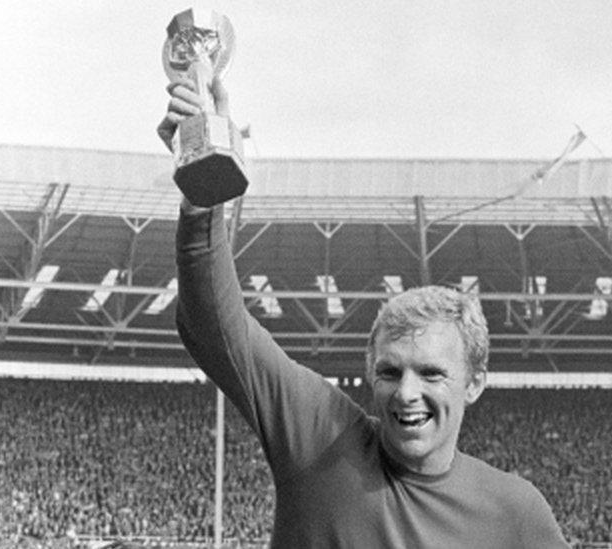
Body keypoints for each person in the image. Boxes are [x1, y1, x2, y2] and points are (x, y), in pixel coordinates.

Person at [159, 77, 570, 549]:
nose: (406, 393)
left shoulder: (515, 513)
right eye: (390, 371)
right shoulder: (321, 439)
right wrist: (204, 184)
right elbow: (215, 327)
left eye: (431, 373)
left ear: (474, 381)